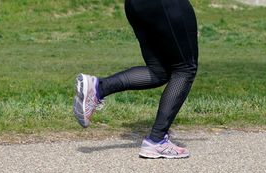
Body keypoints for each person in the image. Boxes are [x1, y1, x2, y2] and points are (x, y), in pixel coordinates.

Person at [74, 0, 199, 159]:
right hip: (166, 4)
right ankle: (157, 140)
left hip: (135, 5)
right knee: (185, 69)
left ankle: (100, 88)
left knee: (158, 71)